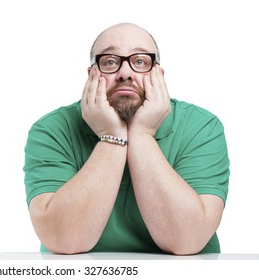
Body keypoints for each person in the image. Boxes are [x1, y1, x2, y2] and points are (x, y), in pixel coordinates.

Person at [23, 22, 230, 255]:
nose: (125, 73)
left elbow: (186, 241)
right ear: (91, 75)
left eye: (140, 61)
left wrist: (141, 134)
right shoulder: (51, 129)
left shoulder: (201, 127)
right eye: (110, 62)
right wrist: (112, 136)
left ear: (159, 75)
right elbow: (63, 240)